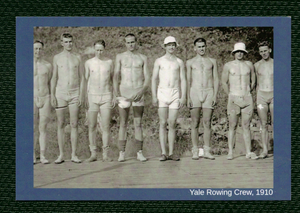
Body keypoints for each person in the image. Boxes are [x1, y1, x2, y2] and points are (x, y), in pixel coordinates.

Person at [113, 33, 150, 162]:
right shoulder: (120, 57)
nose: (131, 44)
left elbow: (147, 79)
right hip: (124, 92)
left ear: (136, 42)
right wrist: (116, 93)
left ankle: (139, 152)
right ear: (125, 43)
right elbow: (116, 76)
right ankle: (121, 152)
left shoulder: (142, 58)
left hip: (138, 93)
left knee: (138, 123)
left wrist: (142, 91)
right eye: (128, 42)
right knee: (123, 123)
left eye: (133, 42)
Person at [51, 33, 85, 164]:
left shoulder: (77, 57)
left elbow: (82, 77)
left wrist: (81, 94)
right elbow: (54, 77)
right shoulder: (57, 58)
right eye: (66, 42)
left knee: (74, 124)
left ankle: (74, 154)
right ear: (61, 43)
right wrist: (53, 94)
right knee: (61, 124)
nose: (69, 44)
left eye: (70, 41)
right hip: (61, 93)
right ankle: (61, 155)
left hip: (75, 93)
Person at [152, 36, 186, 161]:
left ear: (176, 46)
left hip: (175, 93)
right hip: (162, 93)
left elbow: (183, 79)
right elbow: (154, 79)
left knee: (172, 123)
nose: (171, 47)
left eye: (173, 45)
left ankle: (171, 153)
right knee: (162, 123)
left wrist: (183, 97)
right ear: (164, 46)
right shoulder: (159, 61)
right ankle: (163, 153)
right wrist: (154, 96)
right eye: (169, 45)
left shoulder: (179, 62)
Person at [222, 42, 257, 160]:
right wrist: (230, 95)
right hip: (234, 97)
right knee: (232, 125)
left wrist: (248, 92)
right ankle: (230, 152)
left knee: (246, 125)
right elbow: (224, 82)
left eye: (242, 52)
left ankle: (248, 152)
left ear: (244, 53)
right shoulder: (228, 65)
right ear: (234, 53)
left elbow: (253, 80)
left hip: (247, 98)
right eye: (237, 52)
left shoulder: (249, 65)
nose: (240, 54)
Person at [186, 38, 219, 160]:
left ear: (206, 47)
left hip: (208, 91)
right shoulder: (190, 62)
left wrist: (215, 95)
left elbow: (216, 79)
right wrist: (188, 96)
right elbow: (188, 80)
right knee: (194, 122)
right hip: (195, 91)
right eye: (199, 46)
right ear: (195, 48)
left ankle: (207, 150)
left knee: (207, 122)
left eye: (203, 46)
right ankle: (195, 150)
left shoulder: (212, 61)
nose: (201, 49)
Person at [85, 40, 115, 162]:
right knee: (91, 125)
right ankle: (93, 154)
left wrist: (114, 96)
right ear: (94, 49)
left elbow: (113, 81)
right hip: (92, 95)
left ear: (104, 49)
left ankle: (105, 154)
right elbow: (86, 81)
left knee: (105, 126)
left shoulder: (109, 62)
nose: (99, 52)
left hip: (106, 95)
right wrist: (86, 97)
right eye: (97, 50)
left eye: (101, 50)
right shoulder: (88, 63)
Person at [33, 40, 52, 164]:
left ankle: (43, 155)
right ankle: (32, 155)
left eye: (40, 49)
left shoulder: (47, 65)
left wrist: (49, 96)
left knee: (43, 127)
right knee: (33, 127)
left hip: (45, 97)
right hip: (32, 98)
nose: (38, 51)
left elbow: (49, 82)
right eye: (35, 49)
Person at [254, 41, 273, 159]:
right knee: (263, 123)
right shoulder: (256, 65)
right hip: (261, 95)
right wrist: (256, 99)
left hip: (274, 94)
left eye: (265, 51)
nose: (263, 53)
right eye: (261, 51)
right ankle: (265, 150)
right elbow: (255, 83)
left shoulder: (276, 63)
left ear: (269, 50)